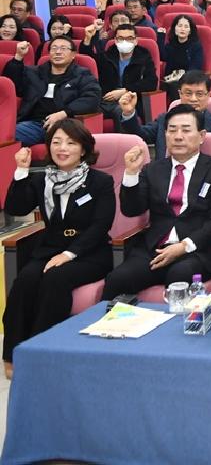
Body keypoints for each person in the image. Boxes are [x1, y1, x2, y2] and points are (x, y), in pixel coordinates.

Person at [3, 120, 114, 375]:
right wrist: (21, 171)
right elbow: (16, 208)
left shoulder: (100, 182)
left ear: (83, 149)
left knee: (55, 280)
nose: (62, 148)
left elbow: (101, 226)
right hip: (49, 249)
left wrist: (68, 254)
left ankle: (40, 350)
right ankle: (12, 352)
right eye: (56, 142)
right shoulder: (42, 180)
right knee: (25, 281)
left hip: (90, 252)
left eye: (70, 143)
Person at [102, 105, 211, 300]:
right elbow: (132, 209)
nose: (178, 136)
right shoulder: (152, 169)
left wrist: (183, 246)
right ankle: (108, 328)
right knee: (117, 279)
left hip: (196, 250)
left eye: (186, 130)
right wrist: (130, 173)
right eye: (172, 130)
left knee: (179, 276)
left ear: (202, 135)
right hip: (155, 249)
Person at [5, 37, 101, 146]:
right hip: (35, 124)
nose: (58, 52)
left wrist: (64, 113)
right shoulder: (35, 72)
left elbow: (92, 98)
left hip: (66, 124)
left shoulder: (82, 75)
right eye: (54, 48)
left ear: (73, 54)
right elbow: (10, 85)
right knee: (6, 134)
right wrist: (18, 57)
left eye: (63, 48)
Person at [119, 70, 211, 154]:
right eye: (188, 93)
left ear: (208, 95)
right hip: (164, 176)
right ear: (180, 94)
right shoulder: (164, 119)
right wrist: (129, 113)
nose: (193, 99)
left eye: (199, 94)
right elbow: (140, 135)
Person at [80, 21, 157, 120]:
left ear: (135, 41)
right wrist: (87, 38)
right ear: (115, 40)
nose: (125, 41)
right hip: (105, 99)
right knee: (86, 111)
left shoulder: (144, 57)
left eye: (129, 38)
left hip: (130, 99)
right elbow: (88, 59)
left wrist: (125, 91)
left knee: (121, 111)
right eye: (121, 38)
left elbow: (151, 83)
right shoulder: (109, 55)